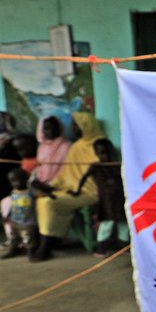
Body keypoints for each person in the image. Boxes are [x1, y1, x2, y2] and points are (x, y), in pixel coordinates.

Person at [29, 110, 104, 262]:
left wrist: (75, 188)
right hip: (70, 188)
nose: (74, 129)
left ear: (86, 126)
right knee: (43, 199)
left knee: (50, 202)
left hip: (89, 192)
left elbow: (98, 172)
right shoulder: (76, 147)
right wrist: (52, 186)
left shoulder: (99, 145)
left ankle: (46, 246)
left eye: (76, 125)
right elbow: (66, 173)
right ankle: (47, 241)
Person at [68, 138, 126, 257]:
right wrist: (77, 191)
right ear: (96, 153)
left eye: (108, 153)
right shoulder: (96, 166)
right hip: (106, 201)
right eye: (102, 153)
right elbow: (83, 178)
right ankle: (101, 248)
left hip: (120, 198)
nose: (106, 156)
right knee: (107, 224)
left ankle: (123, 247)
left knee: (123, 223)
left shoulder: (116, 164)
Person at [1, 168, 38, 259]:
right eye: (12, 181)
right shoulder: (13, 192)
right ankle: (13, 250)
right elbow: (13, 205)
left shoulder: (30, 192)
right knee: (14, 238)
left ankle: (31, 252)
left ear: (25, 179)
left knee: (29, 239)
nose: (15, 183)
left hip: (28, 222)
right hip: (15, 221)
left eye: (17, 180)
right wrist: (7, 216)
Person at [33, 115, 72, 185]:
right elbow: (39, 167)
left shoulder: (67, 146)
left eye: (53, 128)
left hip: (60, 184)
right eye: (46, 128)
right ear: (42, 130)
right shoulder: (42, 147)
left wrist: (52, 184)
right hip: (41, 184)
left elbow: (68, 171)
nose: (50, 131)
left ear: (59, 128)